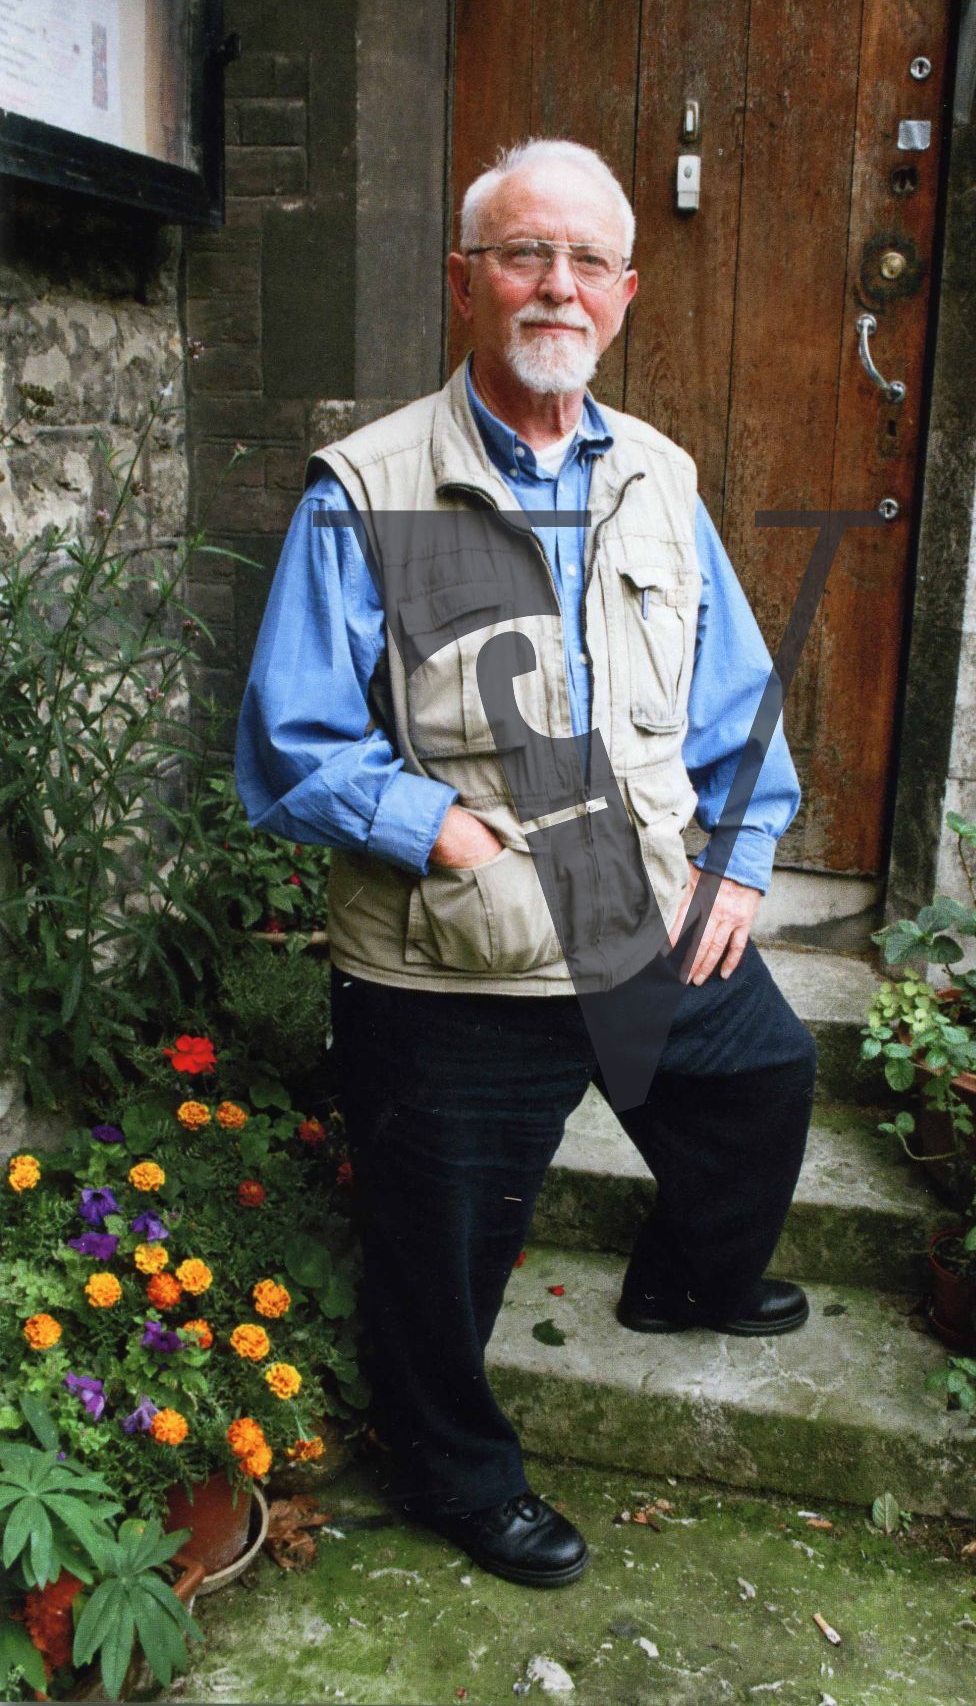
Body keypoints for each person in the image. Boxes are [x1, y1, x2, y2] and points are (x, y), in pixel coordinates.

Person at [235, 137, 818, 1590]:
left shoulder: (662, 481)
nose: (556, 285)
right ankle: (453, 1467)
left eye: (587, 262)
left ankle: (688, 1279)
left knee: (758, 1078)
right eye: (521, 254)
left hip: (633, 913)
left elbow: (736, 703)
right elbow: (289, 739)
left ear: (624, 292)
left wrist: (737, 859)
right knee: (442, 1248)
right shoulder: (367, 488)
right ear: (464, 283)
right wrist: (427, 825)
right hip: (452, 952)